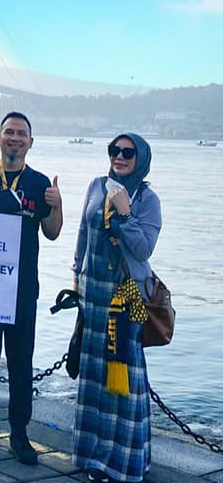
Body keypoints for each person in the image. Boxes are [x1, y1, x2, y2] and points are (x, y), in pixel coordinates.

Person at [0, 111, 62, 466]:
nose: (15, 138)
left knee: (21, 364)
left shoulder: (39, 182)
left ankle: (20, 433)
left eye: (22, 134)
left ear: (30, 142)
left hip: (22, 288)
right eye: (9, 133)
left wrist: (56, 205)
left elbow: (52, 232)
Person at [72, 134, 160, 483]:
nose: (119, 157)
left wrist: (125, 212)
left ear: (141, 158)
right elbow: (84, 232)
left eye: (128, 152)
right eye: (115, 151)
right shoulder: (96, 185)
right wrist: (75, 276)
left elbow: (143, 250)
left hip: (126, 298)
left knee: (125, 377)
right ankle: (92, 455)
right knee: (94, 374)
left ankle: (124, 462)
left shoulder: (147, 198)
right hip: (93, 293)